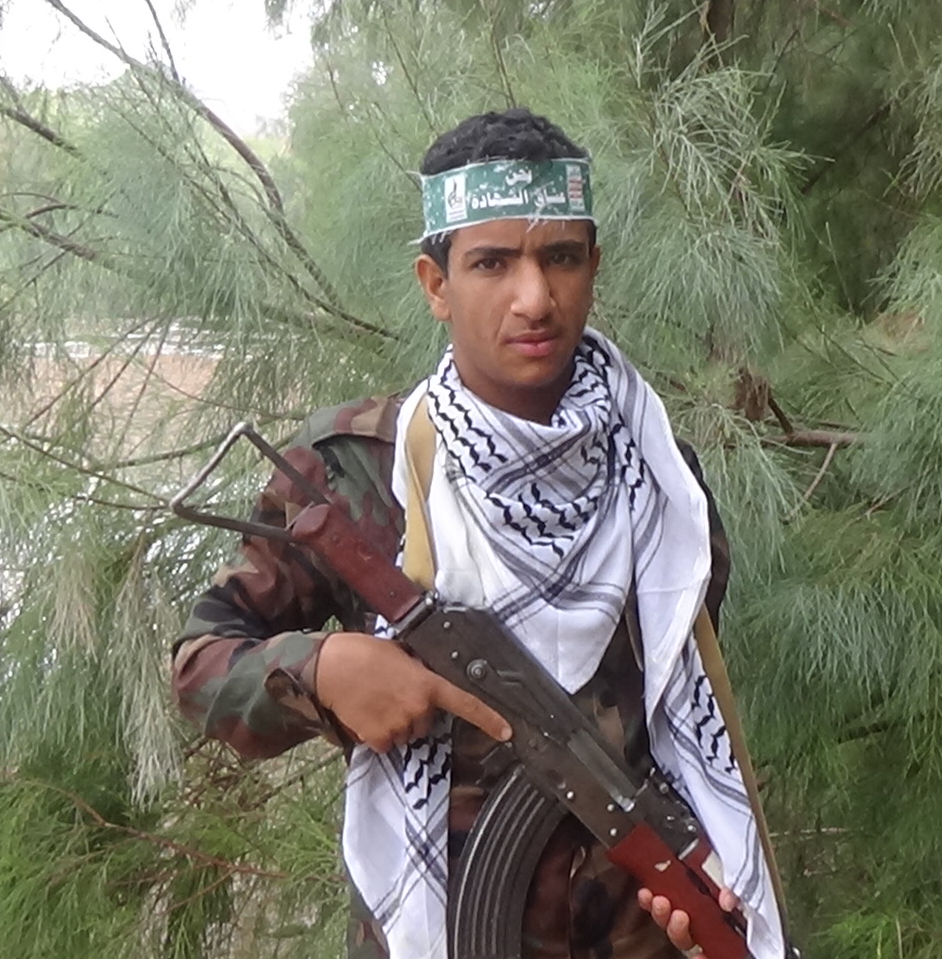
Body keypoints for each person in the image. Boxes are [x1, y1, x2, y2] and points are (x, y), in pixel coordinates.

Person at [171, 108, 787, 959]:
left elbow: (683, 715)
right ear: (436, 284)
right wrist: (322, 670)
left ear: (593, 266)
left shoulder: (660, 478)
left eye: (560, 257)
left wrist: (704, 870)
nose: (534, 298)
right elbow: (201, 666)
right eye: (492, 263)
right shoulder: (360, 472)